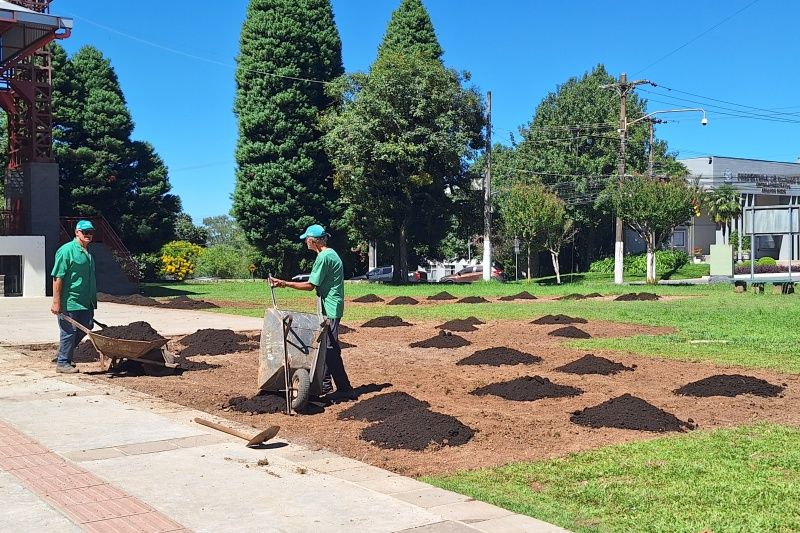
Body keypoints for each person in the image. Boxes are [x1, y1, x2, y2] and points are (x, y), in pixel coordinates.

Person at [269, 224, 356, 402]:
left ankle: (343, 388)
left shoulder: (324, 257)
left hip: (330, 309)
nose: (305, 243)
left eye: (306, 240)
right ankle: (326, 385)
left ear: (312, 241)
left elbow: (310, 285)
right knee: (328, 347)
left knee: (330, 349)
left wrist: (284, 283)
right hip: (331, 307)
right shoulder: (329, 254)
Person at [50, 220, 98, 373]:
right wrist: (56, 302)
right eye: (85, 232)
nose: (88, 234)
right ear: (77, 232)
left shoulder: (88, 252)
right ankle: (63, 363)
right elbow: (57, 277)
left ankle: (63, 354)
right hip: (69, 300)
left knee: (87, 326)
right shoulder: (66, 250)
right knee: (68, 331)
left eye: (90, 232)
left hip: (86, 300)